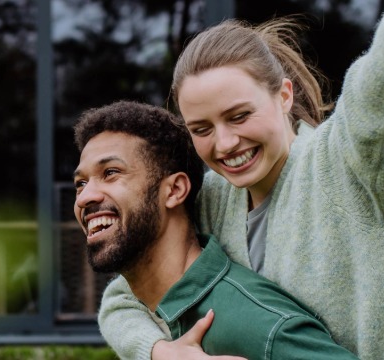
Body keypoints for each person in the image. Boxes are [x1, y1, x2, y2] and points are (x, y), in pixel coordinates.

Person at [98, 0, 384, 359]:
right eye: (202, 128)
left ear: (283, 95)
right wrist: (159, 350)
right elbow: (122, 299)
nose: (225, 144)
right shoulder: (209, 200)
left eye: (239, 116)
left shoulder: (347, 162)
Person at [73, 101, 357, 360]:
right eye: (81, 183)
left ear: (174, 190)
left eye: (111, 172)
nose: (84, 198)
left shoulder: (261, 326)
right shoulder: (147, 316)